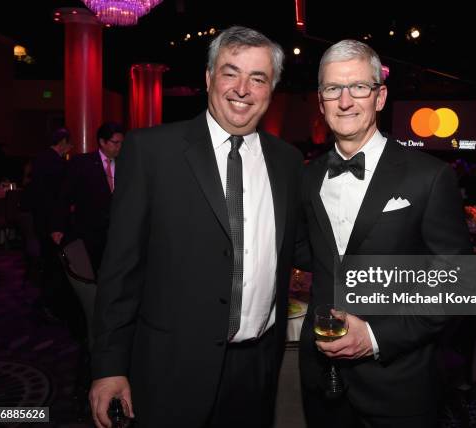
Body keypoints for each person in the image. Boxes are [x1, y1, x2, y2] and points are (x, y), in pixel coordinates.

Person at [89, 26, 304, 428]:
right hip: (172, 367)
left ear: (271, 89)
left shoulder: (288, 162)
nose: (242, 89)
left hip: (257, 368)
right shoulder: (152, 151)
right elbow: (120, 270)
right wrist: (109, 365)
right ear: (208, 78)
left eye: (257, 78)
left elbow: (300, 247)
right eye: (230, 72)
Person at [298, 40, 472, 428]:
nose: (345, 100)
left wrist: (376, 336)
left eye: (359, 86)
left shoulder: (429, 176)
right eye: (332, 89)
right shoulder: (308, 177)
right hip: (321, 379)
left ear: (380, 97)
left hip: (398, 381)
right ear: (321, 100)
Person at [51, 122, 125, 275]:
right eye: (115, 143)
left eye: (122, 143)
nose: (119, 147)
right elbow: (65, 196)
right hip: (90, 231)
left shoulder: (126, 164)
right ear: (102, 142)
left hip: (117, 232)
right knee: (92, 273)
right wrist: (58, 226)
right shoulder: (82, 163)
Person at [27, 128, 72, 319]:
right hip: (51, 219)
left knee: (49, 261)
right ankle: (53, 305)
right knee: (54, 262)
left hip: (40, 217)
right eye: (69, 144)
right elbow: (59, 195)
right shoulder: (56, 163)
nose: (71, 148)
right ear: (62, 142)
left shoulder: (40, 158)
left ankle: (48, 302)